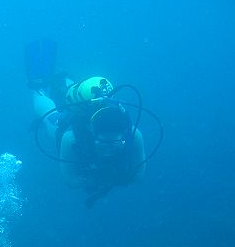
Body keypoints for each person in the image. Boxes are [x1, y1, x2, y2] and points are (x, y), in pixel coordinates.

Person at [25, 38, 147, 207]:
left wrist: (108, 178)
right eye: (102, 143)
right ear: (92, 132)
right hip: (69, 127)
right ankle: (38, 88)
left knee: (66, 100)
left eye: (114, 143)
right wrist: (96, 179)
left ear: (124, 137)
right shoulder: (70, 138)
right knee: (49, 117)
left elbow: (139, 175)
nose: (108, 149)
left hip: (88, 137)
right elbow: (69, 179)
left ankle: (63, 79)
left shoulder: (134, 135)